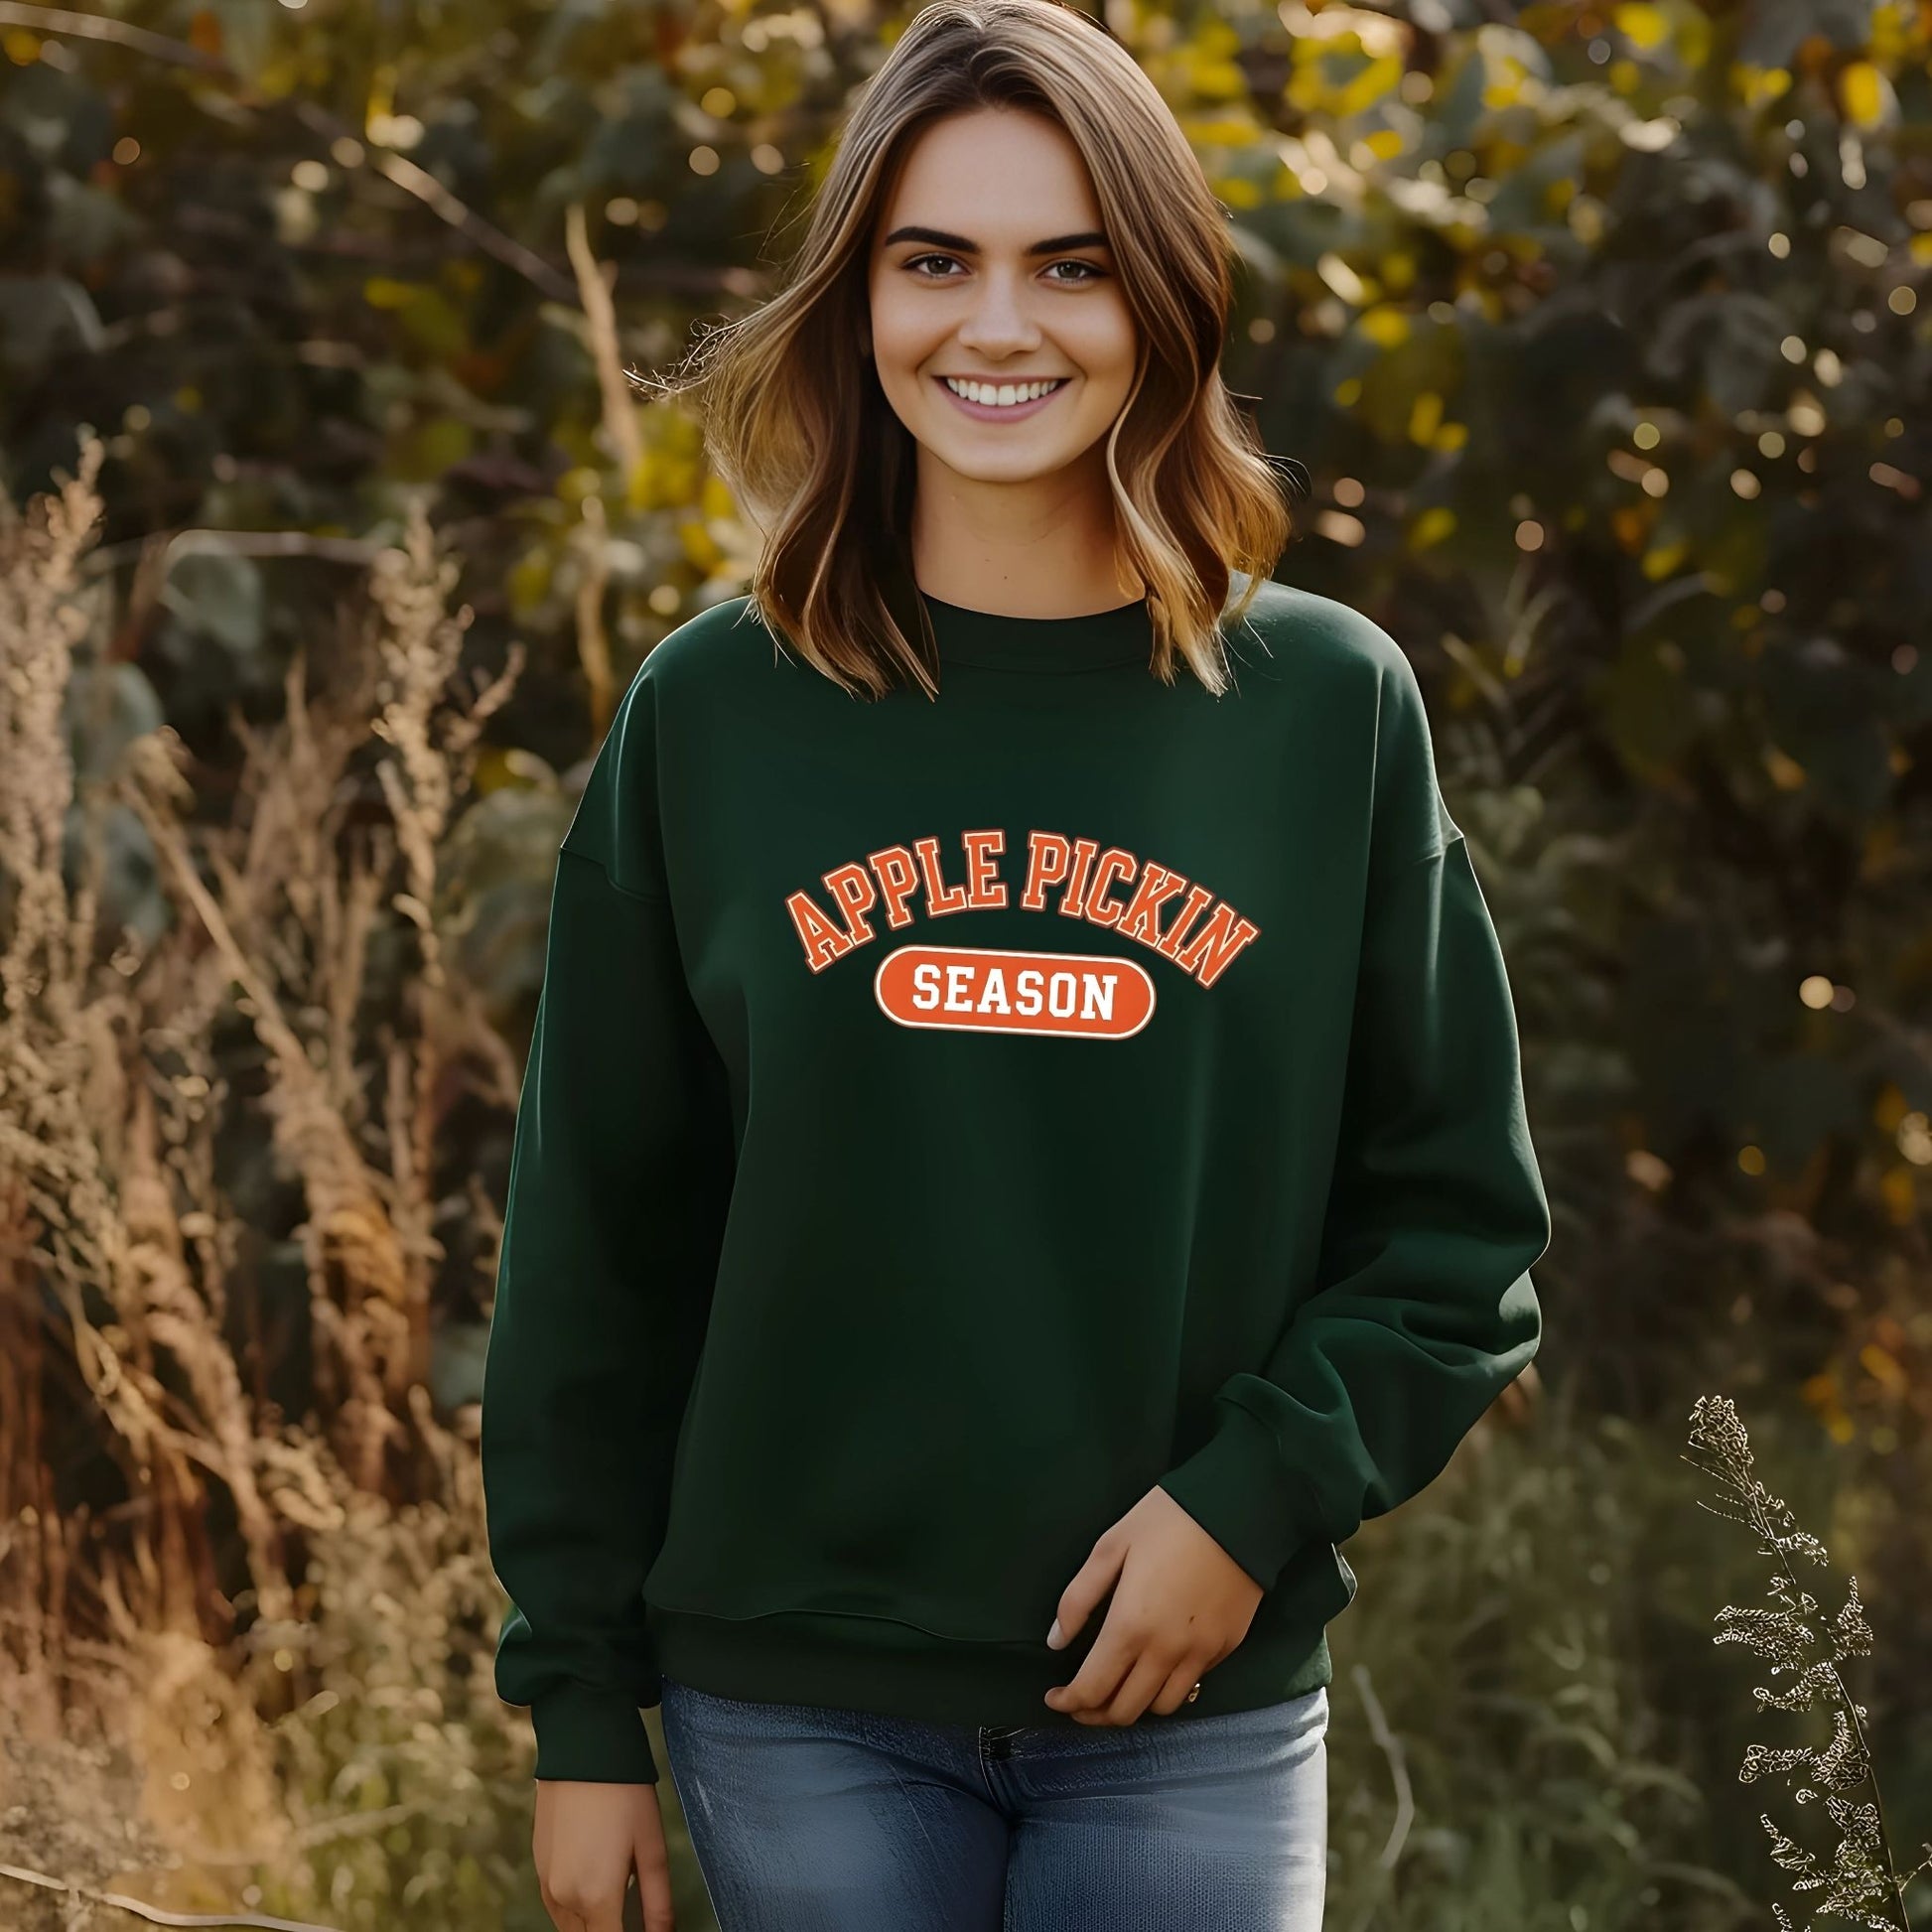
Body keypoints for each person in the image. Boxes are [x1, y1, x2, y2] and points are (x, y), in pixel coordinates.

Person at [480, 1, 1553, 1927]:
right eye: (932, 261)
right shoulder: (717, 715)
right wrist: (579, 1709)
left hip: (1196, 1708)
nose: (998, 326)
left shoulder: (1318, 707)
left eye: (1069, 264)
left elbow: (1456, 1225)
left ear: (1159, 298)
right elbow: (593, 1247)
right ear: (854, 299)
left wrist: (1251, 1502)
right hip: (797, 1700)